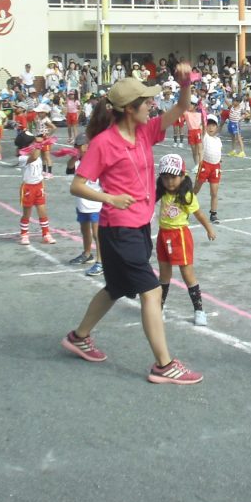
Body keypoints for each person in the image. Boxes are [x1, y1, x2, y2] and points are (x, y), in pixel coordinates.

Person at [60, 67, 204, 385]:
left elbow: (181, 108)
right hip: (118, 230)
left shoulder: (145, 131)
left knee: (115, 288)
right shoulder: (104, 143)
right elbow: (78, 184)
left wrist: (183, 84)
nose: (152, 105)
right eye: (146, 102)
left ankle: (79, 336)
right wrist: (109, 198)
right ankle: (164, 365)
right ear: (129, 109)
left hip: (138, 227)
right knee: (151, 292)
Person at [154, 153, 215, 326]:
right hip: (163, 235)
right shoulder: (161, 193)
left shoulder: (187, 195)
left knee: (187, 274)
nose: (169, 182)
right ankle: (159, 307)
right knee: (164, 275)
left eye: (173, 177)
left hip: (179, 235)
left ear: (183, 176)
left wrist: (209, 228)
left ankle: (199, 310)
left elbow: (199, 214)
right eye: (165, 177)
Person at [67, 132, 104, 277]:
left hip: (96, 204)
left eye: (80, 145)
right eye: (76, 145)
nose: (77, 148)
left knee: (97, 233)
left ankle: (101, 261)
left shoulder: (97, 162)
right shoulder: (76, 162)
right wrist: (72, 157)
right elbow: (69, 171)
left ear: (88, 146)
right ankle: (87, 253)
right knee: (84, 229)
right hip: (81, 202)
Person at [15, 131, 55, 246]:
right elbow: (34, 156)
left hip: (38, 186)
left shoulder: (34, 151)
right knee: (27, 213)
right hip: (28, 188)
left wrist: (42, 141)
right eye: (32, 141)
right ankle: (24, 234)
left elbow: (39, 169)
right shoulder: (22, 157)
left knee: (43, 211)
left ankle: (46, 234)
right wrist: (38, 144)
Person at [192, 115, 222, 223]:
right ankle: (185, 208)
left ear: (216, 127)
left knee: (214, 192)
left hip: (216, 167)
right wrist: (203, 117)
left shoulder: (218, 140)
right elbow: (203, 129)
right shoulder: (205, 136)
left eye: (213, 125)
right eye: (209, 125)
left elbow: (218, 153)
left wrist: (219, 162)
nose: (211, 127)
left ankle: (213, 214)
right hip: (205, 165)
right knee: (196, 189)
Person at [225, 93, 246, 158]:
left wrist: (240, 118)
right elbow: (226, 101)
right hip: (231, 123)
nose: (233, 101)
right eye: (233, 100)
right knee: (233, 138)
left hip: (236, 124)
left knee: (238, 137)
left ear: (239, 102)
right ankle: (233, 150)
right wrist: (224, 92)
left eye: (235, 100)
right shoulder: (231, 107)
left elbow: (246, 114)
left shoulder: (240, 109)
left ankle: (242, 151)